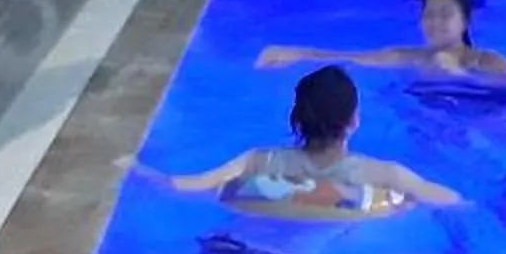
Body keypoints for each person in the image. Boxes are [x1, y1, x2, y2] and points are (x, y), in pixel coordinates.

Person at [125, 66, 462, 217]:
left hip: (227, 246)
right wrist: (401, 206)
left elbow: (183, 186)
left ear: (296, 119)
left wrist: (133, 168)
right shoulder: (382, 176)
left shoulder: (258, 161)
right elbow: (449, 201)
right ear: (354, 121)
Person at [256, 0, 506, 82]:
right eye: (429, 14)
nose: (435, 22)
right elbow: (354, 59)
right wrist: (298, 53)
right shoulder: (409, 57)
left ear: (466, 21)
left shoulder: (489, 61)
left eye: (445, 14)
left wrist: (459, 74)